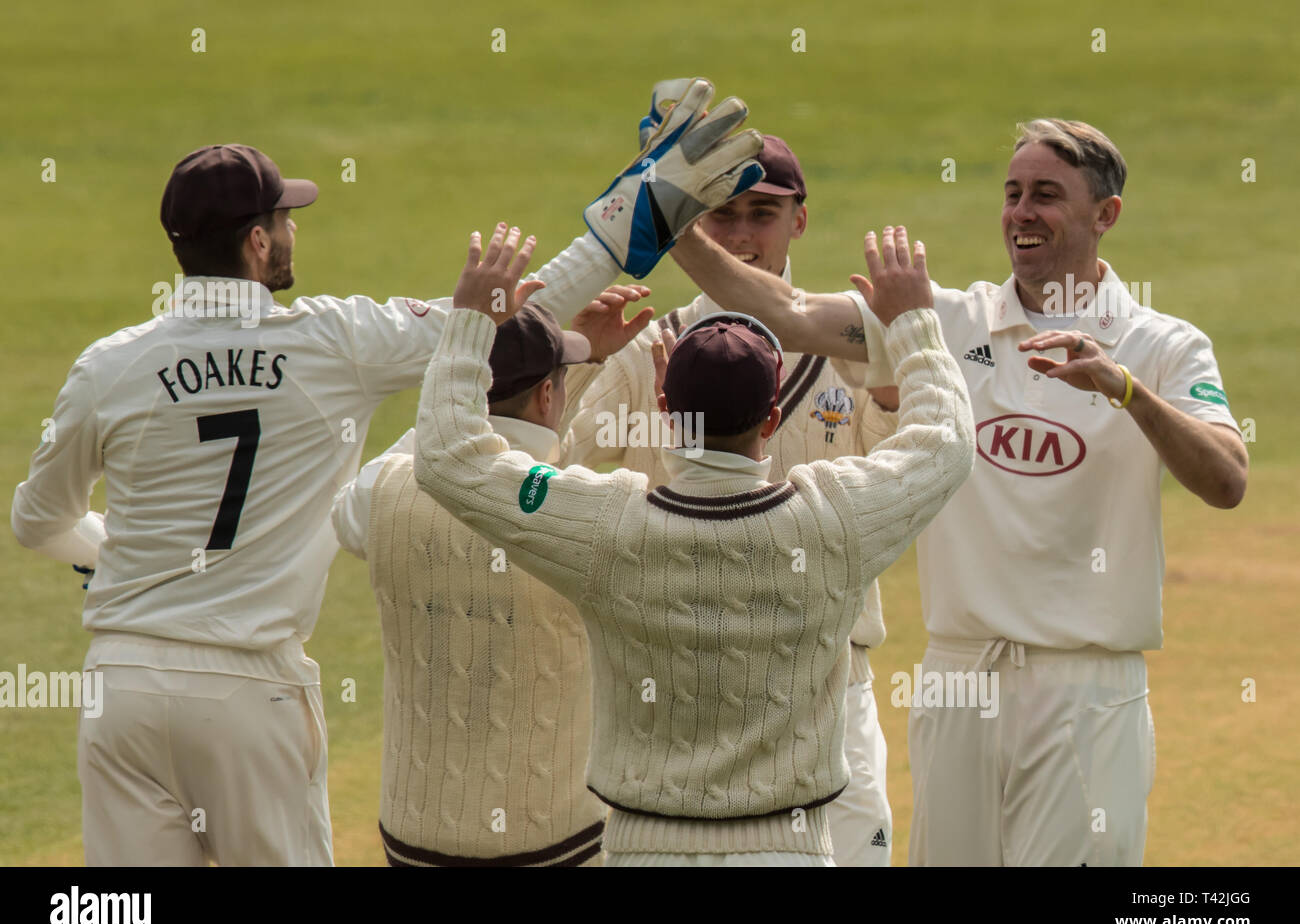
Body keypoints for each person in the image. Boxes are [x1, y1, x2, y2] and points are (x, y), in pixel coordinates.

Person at [9, 89, 759, 865]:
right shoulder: (337, 341)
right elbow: (500, 320)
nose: (293, 229)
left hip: (121, 686)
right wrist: (638, 211)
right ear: (259, 244)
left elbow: (37, 522)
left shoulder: (106, 366)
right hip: (248, 693)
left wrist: (116, 558)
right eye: (286, 218)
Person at [667, 119, 1248, 865]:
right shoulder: (942, 322)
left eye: (1046, 194)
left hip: (1084, 687)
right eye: (1012, 194)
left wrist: (1124, 388)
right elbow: (785, 314)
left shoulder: (1162, 346)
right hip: (955, 679)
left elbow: (1228, 480)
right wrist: (664, 216)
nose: (1021, 212)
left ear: (1106, 215)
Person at [411, 221, 973, 866]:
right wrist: (914, 324)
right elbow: (946, 443)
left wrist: (472, 323)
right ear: (772, 417)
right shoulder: (834, 520)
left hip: (643, 850)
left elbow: (449, 456)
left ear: (664, 407)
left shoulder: (605, 526)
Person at [566, 134, 900, 865]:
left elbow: (901, 465)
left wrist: (892, 361)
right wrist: (577, 358)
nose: (743, 236)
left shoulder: (851, 346)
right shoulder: (642, 345)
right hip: (678, 685)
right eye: (722, 215)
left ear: (799, 221)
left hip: (828, 681)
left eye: (763, 213)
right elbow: (555, 458)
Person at [330, 290, 652, 867]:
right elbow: (534, 473)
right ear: (550, 393)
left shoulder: (383, 495)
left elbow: (396, 487)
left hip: (414, 842)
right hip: (557, 843)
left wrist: (449, 414)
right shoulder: (591, 512)